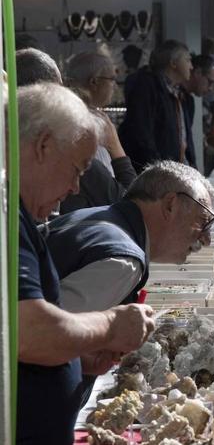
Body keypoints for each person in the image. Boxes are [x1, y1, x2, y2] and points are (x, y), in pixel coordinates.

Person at [16, 82, 155, 445]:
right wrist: (109, 325)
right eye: (77, 169)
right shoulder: (8, 220)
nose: (76, 188)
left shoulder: (20, 215)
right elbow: (29, 332)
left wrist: (76, 355)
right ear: (44, 146)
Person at [45, 160, 214, 407]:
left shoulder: (104, 218)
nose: (207, 239)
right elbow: (45, 335)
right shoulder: (123, 260)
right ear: (170, 204)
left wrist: (84, 355)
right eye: (203, 222)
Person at [61, 50, 137, 213]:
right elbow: (133, 203)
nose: (115, 86)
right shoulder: (84, 126)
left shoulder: (75, 118)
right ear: (94, 82)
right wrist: (116, 148)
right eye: (112, 79)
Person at [119, 39, 194, 171]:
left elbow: (183, 138)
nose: (191, 66)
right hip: (157, 173)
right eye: (188, 60)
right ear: (173, 63)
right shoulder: (146, 87)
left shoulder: (179, 94)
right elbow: (142, 133)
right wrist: (158, 168)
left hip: (175, 170)